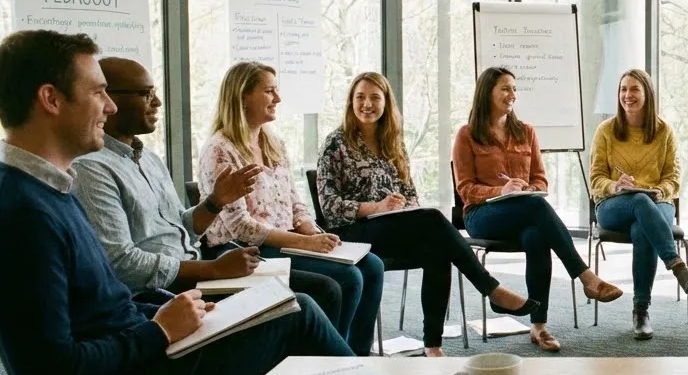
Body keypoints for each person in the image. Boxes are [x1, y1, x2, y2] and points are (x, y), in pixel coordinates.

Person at [0, 30, 351, 375]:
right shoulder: (23, 213)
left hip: (134, 366)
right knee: (300, 315)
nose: (109, 107)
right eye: (97, 92)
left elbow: (102, 304)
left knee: (285, 310)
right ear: (51, 99)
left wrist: (177, 316)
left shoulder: (47, 189)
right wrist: (160, 330)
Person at [71, 58, 344, 321]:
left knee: (326, 290)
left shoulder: (149, 159)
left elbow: (182, 229)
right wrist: (213, 269)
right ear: (108, 100)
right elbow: (122, 264)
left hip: (196, 269)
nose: (157, 102)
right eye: (146, 94)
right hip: (160, 293)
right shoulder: (91, 168)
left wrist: (215, 202)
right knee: (312, 301)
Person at [316, 72, 540, 357]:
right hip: (352, 233)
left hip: (390, 228)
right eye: (360, 97)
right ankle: (490, 288)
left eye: (375, 97)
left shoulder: (392, 142)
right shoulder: (335, 143)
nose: (367, 104)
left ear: (386, 103)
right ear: (351, 102)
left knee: (438, 248)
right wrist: (376, 207)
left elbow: (410, 194)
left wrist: (404, 206)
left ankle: (432, 345)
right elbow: (329, 207)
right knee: (434, 219)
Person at [198, 61, 385, 357]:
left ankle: (356, 355)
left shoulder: (273, 142)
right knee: (347, 279)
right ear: (243, 97)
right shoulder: (219, 149)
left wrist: (309, 227)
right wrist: (304, 242)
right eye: (269, 91)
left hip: (285, 241)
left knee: (372, 266)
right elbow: (241, 226)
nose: (278, 98)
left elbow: (295, 200)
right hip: (243, 250)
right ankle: (331, 360)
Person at [453, 67, 623, 353]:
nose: (512, 95)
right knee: (536, 207)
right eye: (505, 89)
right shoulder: (467, 135)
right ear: (487, 93)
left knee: (537, 235)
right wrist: (501, 191)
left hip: (524, 214)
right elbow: (465, 189)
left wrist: (530, 188)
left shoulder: (526, 132)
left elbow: (540, 179)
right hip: (482, 216)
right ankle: (585, 276)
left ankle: (539, 326)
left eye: (514, 89)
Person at [589, 69, 688, 340]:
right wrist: (615, 185)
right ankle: (676, 264)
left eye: (634, 89)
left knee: (643, 227)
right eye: (623, 89)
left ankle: (641, 310)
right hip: (614, 205)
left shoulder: (664, 131)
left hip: (657, 202)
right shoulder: (606, 131)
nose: (627, 95)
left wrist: (658, 191)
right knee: (639, 201)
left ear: (647, 94)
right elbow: (596, 179)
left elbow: (673, 179)